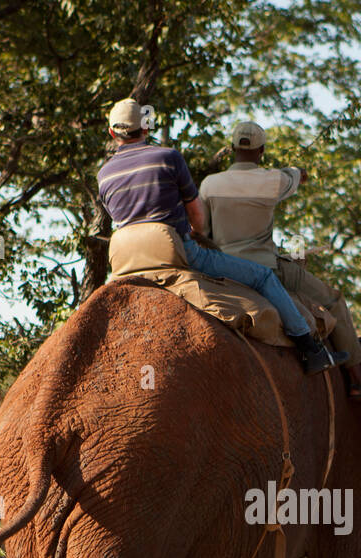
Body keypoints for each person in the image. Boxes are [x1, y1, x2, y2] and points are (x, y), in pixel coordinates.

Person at [96, 99, 344, 376]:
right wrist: (199, 234)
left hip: (123, 263)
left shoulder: (103, 175)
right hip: (176, 252)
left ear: (112, 133)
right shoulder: (168, 157)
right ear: (145, 128)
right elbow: (196, 215)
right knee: (263, 277)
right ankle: (310, 348)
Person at [198, 119, 361, 403]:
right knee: (334, 301)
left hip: (222, 269)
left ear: (231, 149)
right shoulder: (273, 180)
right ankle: (360, 381)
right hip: (267, 266)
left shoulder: (208, 185)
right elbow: (295, 176)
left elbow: (203, 233)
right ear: (262, 150)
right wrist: (298, 173)